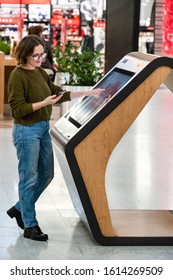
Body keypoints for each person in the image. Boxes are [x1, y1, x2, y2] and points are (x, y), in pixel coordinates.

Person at [6, 34, 104, 242]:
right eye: (37, 55)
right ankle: (30, 225)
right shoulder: (18, 76)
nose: (41, 59)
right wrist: (44, 103)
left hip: (42, 128)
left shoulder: (40, 72)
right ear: (24, 55)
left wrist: (89, 93)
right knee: (29, 177)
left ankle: (19, 208)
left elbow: (57, 93)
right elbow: (17, 109)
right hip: (26, 131)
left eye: (43, 54)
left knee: (47, 174)